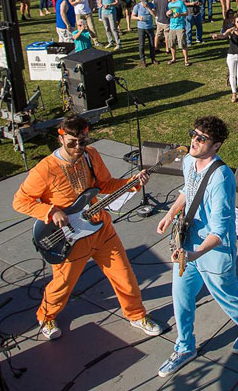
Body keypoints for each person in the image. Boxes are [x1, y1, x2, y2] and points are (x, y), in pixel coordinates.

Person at [11, 114, 165, 341]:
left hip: (101, 228)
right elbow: (20, 201)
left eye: (81, 142)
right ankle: (46, 316)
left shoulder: (91, 155)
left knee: (125, 276)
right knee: (62, 284)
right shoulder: (45, 169)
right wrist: (51, 212)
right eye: (71, 142)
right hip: (69, 238)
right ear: (60, 139)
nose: (76, 148)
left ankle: (136, 314)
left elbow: (105, 185)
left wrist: (132, 184)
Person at [154, 116, 238, 378]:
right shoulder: (189, 161)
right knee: (181, 297)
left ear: (216, 146)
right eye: (194, 134)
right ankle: (185, 346)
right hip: (187, 245)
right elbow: (187, 190)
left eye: (202, 139)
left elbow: (221, 231)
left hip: (213, 251)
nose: (194, 141)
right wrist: (170, 214)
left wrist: (197, 253)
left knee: (226, 293)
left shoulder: (221, 178)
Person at [218, 14, 238, 104]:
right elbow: (223, 35)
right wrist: (217, 36)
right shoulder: (231, 30)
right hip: (231, 56)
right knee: (232, 75)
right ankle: (234, 93)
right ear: (234, 22)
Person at [132, 0, 157, 66]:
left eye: (145, 2)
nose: (144, 4)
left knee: (152, 44)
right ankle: (143, 60)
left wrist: (148, 8)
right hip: (141, 28)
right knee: (141, 45)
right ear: (140, 0)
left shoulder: (151, 5)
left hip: (150, 27)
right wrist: (138, 18)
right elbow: (132, 16)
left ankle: (153, 59)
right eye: (143, 2)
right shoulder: (137, 6)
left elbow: (154, 15)